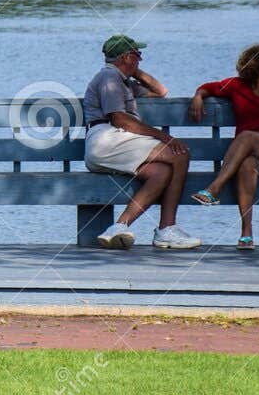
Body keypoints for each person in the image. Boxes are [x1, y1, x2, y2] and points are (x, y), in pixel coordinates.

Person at [82, 34, 202, 250]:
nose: (141, 58)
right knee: (180, 154)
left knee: (161, 173)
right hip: (107, 139)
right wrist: (164, 137)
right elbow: (119, 119)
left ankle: (119, 227)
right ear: (126, 57)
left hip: (113, 142)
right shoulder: (109, 78)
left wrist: (134, 71)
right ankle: (167, 228)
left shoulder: (123, 81)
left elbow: (161, 92)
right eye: (137, 55)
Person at [187, 44, 259, 250]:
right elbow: (210, 87)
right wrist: (198, 96)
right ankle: (246, 234)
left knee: (247, 136)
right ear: (256, 67)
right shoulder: (237, 87)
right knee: (247, 165)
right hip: (249, 152)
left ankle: (215, 188)